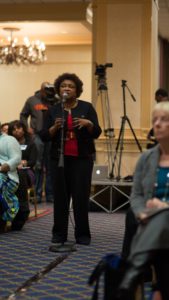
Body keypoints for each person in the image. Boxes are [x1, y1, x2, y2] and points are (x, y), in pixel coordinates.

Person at [40, 72, 102, 245]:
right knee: (60, 197)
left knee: (81, 197)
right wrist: (54, 128)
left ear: (77, 90)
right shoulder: (53, 110)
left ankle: (82, 235)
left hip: (82, 159)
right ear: (59, 89)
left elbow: (97, 132)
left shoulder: (87, 107)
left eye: (71, 86)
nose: (66, 88)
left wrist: (88, 124)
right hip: (58, 160)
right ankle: (59, 234)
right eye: (63, 86)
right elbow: (44, 135)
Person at [119, 101, 169, 300]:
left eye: (164, 120)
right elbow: (137, 194)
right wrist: (141, 212)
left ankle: (132, 273)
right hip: (149, 221)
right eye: (154, 120)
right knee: (135, 217)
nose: (157, 124)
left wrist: (164, 207)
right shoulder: (146, 158)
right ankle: (158, 287)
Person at [20, 82, 56, 203]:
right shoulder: (32, 100)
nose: (49, 92)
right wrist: (26, 128)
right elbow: (23, 115)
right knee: (38, 165)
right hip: (37, 136)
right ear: (41, 90)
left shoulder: (55, 100)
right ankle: (37, 194)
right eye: (47, 90)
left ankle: (50, 194)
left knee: (50, 166)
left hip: (51, 136)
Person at [8, 120, 37, 230]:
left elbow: (33, 161)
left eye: (18, 128)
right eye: (14, 129)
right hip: (12, 170)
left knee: (20, 174)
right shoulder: (8, 143)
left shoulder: (31, 144)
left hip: (27, 172)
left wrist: (24, 162)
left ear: (23, 129)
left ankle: (22, 209)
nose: (17, 131)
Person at [0, 123, 21, 233]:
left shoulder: (9, 140)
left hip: (7, 176)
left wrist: (6, 166)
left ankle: (4, 219)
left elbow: (16, 158)